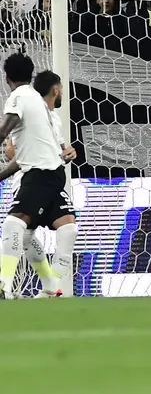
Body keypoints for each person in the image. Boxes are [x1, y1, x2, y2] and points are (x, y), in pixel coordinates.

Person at [0, 58, 77, 299]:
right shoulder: (37, 102)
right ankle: (51, 287)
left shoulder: (19, 97)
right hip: (44, 173)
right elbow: (20, 153)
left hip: (42, 174)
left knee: (14, 225)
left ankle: (3, 285)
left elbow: (4, 131)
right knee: (26, 233)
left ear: (6, 78)